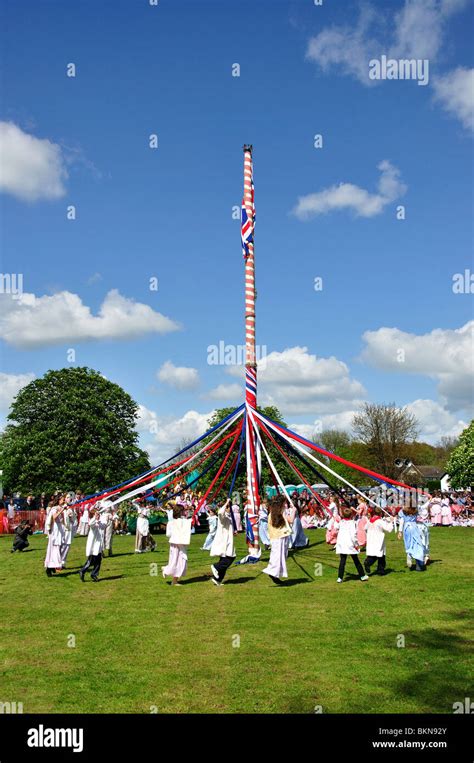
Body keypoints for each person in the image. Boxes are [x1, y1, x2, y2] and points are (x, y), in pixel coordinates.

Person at [262, 495, 292, 584]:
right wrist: (293, 511)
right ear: (282, 503)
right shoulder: (280, 512)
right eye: (285, 503)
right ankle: (272, 572)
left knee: (277, 555)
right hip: (280, 536)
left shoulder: (273, 512)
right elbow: (290, 520)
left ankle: (275, 574)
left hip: (275, 537)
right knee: (279, 555)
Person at [336, 506, 369, 583]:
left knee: (342, 561)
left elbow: (336, 527)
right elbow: (353, 535)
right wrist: (356, 545)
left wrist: (336, 521)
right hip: (350, 544)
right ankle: (362, 575)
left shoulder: (342, 522)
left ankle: (340, 578)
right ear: (351, 515)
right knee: (356, 560)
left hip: (342, 544)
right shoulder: (352, 523)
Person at [161, 504, 192, 585]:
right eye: (183, 510)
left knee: (180, 561)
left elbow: (168, 534)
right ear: (180, 512)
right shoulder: (182, 522)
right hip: (176, 544)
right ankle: (166, 570)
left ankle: (174, 580)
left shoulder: (176, 522)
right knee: (176, 561)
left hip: (178, 544)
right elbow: (169, 534)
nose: (184, 512)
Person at [210, 498, 236, 586]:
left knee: (225, 558)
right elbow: (220, 512)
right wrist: (227, 503)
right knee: (230, 558)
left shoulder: (228, 516)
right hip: (224, 540)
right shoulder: (222, 515)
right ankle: (216, 567)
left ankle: (218, 579)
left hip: (228, 540)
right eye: (229, 507)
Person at [79, 508, 107, 582]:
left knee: (98, 560)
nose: (98, 516)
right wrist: (95, 518)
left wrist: (104, 518)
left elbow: (104, 526)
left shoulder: (99, 522)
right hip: (93, 546)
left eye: (98, 515)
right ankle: (82, 571)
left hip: (98, 545)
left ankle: (94, 574)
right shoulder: (92, 522)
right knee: (91, 560)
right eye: (96, 514)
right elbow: (91, 523)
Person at [398, 507, 429, 571]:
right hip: (414, 528)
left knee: (409, 544)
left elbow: (401, 522)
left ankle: (409, 555)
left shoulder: (403, 511)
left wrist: (400, 531)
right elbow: (424, 514)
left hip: (407, 529)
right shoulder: (415, 510)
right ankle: (418, 564)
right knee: (418, 544)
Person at [364, 507, 393, 576]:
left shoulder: (370, 520)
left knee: (381, 555)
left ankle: (381, 569)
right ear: (380, 513)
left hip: (372, 539)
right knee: (377, 554)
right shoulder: (379, 521)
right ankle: (368, 562)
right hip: (378, 539)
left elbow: (365, 528)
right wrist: (391, 522)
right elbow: (388, 529)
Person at [44, 499, 67, 577]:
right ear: (58, 500)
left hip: (59, 529)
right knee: (54, 549)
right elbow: (54, 517)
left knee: (58, 548)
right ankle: (49, 568)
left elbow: (62, 519)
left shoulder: (60, 508)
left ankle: (52, 566)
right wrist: (62, 510)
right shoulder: (54, 508)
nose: (64, 501)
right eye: (62, 500)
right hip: (55, 530)